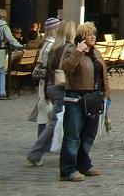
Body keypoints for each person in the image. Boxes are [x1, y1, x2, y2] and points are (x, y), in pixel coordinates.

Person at [59, 21, 110, 182]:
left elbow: (103, 74)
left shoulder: (96, 53)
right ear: (81, 37)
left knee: (89, 134)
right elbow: (66, 68)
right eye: (89, 34)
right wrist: (77, 52)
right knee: (73, 135)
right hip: (76, 97)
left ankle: (84, 163)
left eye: (94, 34)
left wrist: (106, 94)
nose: (93, 37)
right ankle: (68, 169)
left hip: (94, 98)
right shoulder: (71, 50)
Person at [27, 20, 76, 167]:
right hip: (61, 87)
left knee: (59, 120)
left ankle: (64, 150)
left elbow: (48, 69)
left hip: (52, 86)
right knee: (55, 122)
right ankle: (36, 153)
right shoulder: (66, 47)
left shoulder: (54, 47)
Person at [33, 17, 61, 136]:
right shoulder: (51, 45)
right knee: (47, 111)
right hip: (49, 81)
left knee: (44, 111)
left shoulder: (46, 43)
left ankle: (44, 139)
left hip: (45, 81)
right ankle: (45, 140)